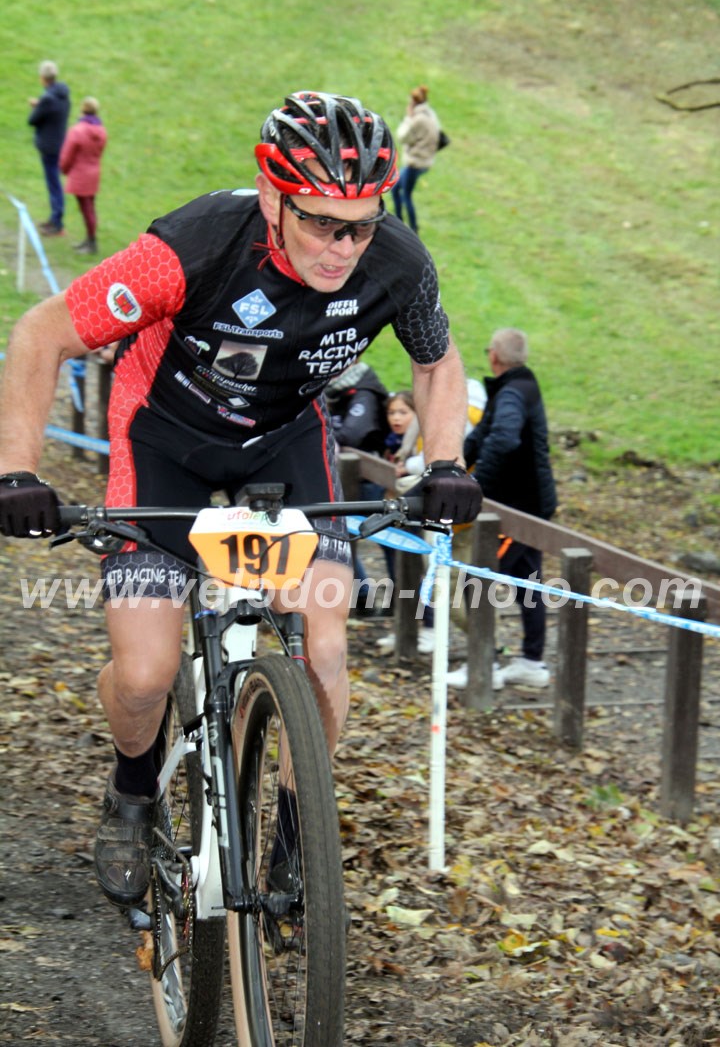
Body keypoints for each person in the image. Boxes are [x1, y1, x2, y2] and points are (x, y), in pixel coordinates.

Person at [0, 90, 482, 910]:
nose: (342, 248)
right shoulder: (193, 246)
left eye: (360, 226)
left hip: (285, 441)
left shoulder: (398, 262)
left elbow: (436, 363)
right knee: (146, 673)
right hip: (162, 441)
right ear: (270, 197)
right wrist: (18, 473)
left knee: (324, 648)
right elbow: (42, 332)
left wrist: (445, 461)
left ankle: (298, 836)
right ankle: (131, 792)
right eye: (321, 223)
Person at [447, 328, 557, 691]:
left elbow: (504, 437)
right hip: (529, 505)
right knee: (528, 582)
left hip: (519, 511)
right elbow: (480, 438)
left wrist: (479, 484)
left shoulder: (512, 392)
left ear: (493, 355)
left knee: (476, 580)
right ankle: (531, 662)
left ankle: (485, 664)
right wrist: (452, 468)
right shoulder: (515, 387)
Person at [325, 360, 390, 612]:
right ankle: (363, 595)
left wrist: (327, 433)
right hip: (345, 477)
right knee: (339, 536)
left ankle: (413, 607)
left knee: (390, 543)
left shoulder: (365, 392)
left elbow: (353, 433)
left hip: (371, 480)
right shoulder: (332, 391)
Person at [376, 391, 435, 654]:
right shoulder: (394, 443)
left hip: (421, 511)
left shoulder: (423, 437)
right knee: (398, 569)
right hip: (399, 510)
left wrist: (407, 466)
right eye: (392, 413)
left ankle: (430, 627)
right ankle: (404, 626)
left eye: (403, 412)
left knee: (421, 569)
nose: (396, 418)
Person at [27, 60, 71, 237]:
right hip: (59, 143)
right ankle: (54, 219)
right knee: (54, 183)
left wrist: (37, 106)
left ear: (43, 78)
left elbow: (32, 120)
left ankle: (56, 222)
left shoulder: (47, 99)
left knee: (54, 184)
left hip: (48, 147)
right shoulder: (63, 95)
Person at [60, 96, 108, 255]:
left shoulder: (77, 130)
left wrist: (63, 169)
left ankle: (91, 242)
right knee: (90, 208)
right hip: (94, 173)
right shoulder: (101, 131)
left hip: (80, 175)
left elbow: (67, 155)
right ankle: (89, 239)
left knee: (86, 209)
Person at [390, 84, 441, 234]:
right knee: (396, 189)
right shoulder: (430, 114)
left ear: (413, 102)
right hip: (425, 161)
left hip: (415, 163)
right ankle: (400, 221)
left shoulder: (417, 120)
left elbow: (402, 137)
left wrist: (408, 118)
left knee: (406, 194)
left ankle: (412, 228)